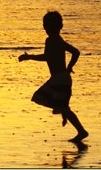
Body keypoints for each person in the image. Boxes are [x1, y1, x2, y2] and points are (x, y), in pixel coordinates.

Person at [18, 11, 88, 142]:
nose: (44, 28)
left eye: (46, 25)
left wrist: (29, 57)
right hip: (63, 78)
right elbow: (76, 52)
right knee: (61, 105)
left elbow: (47, 57)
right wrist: (69, 67)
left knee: (39, 97)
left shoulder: (51, 40)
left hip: (59, 79)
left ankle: (80, 130)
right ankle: (66, 115)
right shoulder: (60, 40)